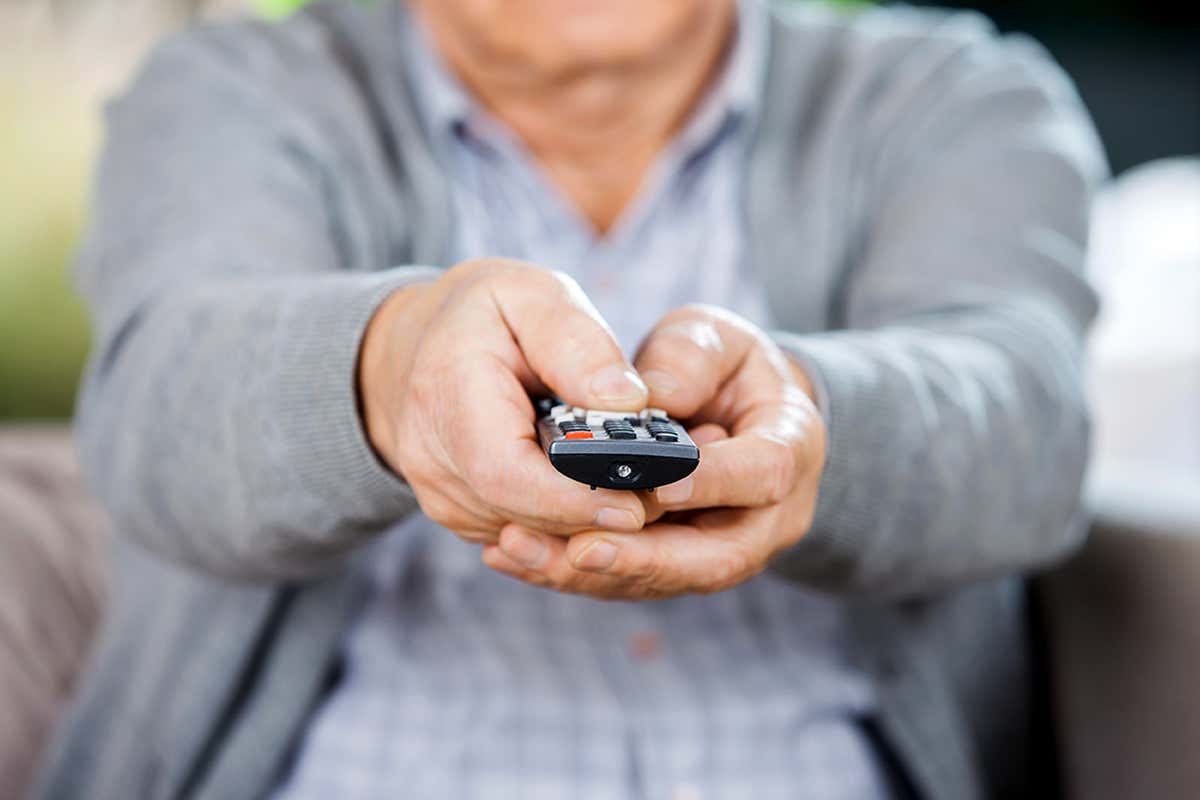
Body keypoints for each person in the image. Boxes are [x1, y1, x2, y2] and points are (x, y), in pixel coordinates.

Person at [35, 0, 1105, 797]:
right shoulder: (232, 90)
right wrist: (388, 365)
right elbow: (156, 411)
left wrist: (812, 416)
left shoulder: (957, 97)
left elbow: (1030, 427)